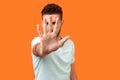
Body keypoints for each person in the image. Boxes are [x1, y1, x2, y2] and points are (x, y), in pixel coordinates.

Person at [31, 3, 77, 80]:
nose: (51, 27)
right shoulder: (36, 41)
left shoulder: (69, 44)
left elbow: (72, 75)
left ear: (62, 23)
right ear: (42, 23)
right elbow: (37, 50)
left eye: (54, 23)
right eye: (47, 23)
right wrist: (43, 50)